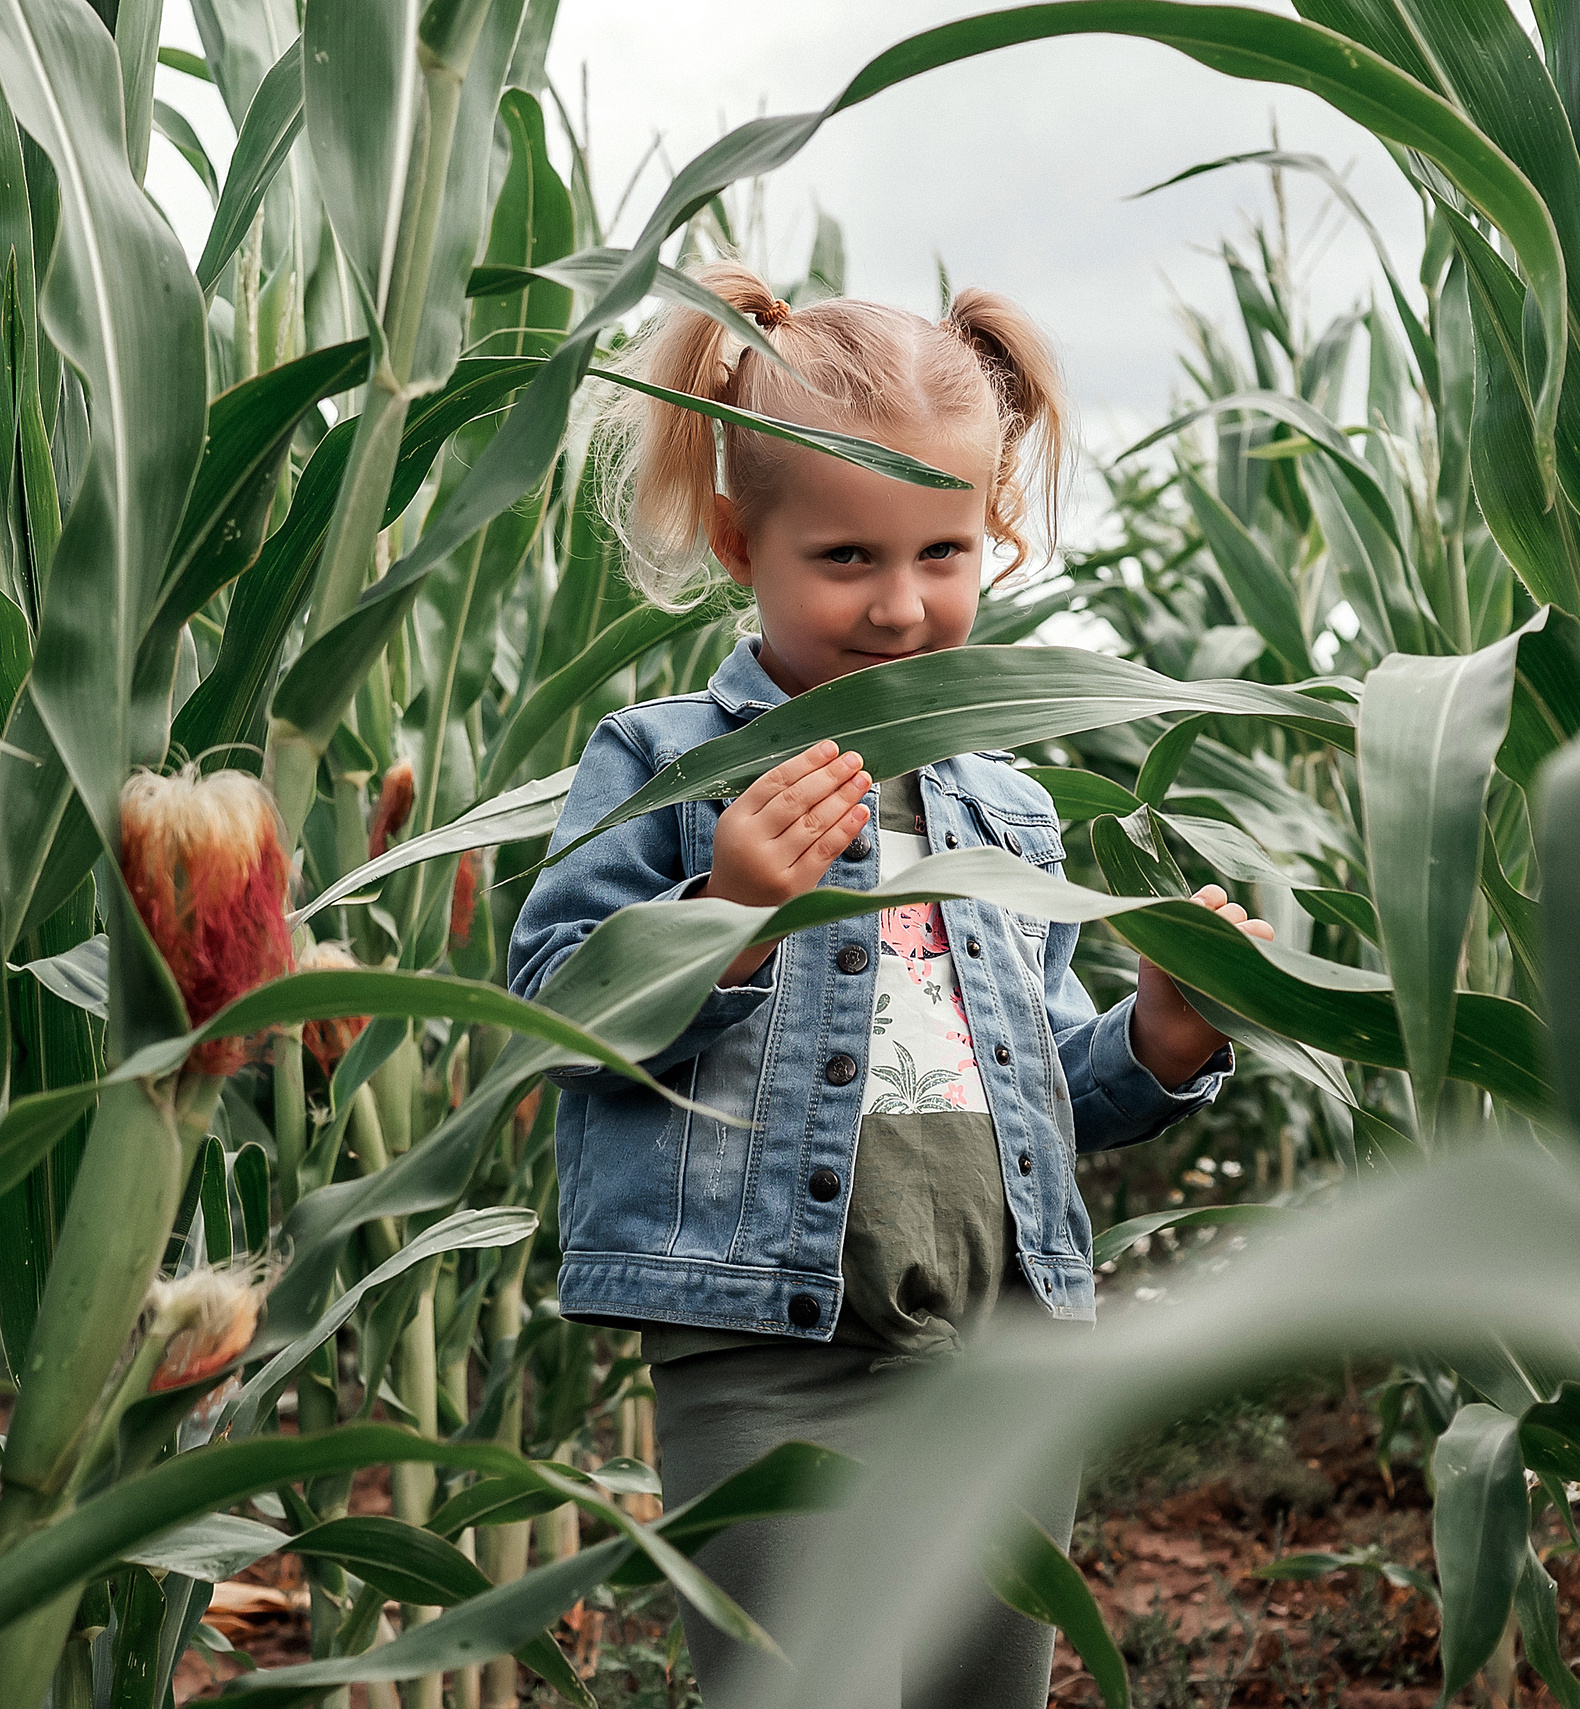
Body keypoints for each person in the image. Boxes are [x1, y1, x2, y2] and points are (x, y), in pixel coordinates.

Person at [507, 260, 1272, 1707]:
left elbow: (1046, 1087)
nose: (901, 606)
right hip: (768, 1357)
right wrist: (725, 915)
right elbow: (551, 1015)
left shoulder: (1008, 812)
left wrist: (1164, 1036)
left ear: (995, 539)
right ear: (740, 542)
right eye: (847, 557)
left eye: (943, 552)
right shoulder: (666, 769)